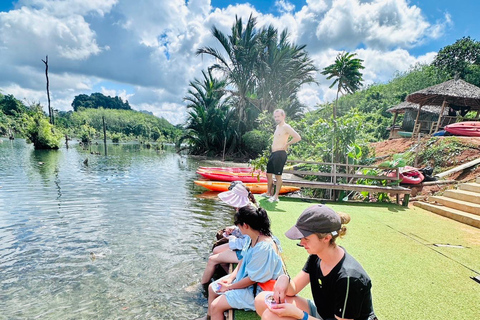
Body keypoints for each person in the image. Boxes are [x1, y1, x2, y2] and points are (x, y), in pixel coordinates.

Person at [254, 204, 377, 320]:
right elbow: (293, 289)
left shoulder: (349, 278)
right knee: (261, 300)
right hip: (323, 313)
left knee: (270, 316)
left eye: (306, 238)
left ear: (326, 238)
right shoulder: (316, 256)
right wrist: (284, 278)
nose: (301, 242)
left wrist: (300, 315)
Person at [196, 205, 284, 320]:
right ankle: (209, 317)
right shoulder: (252, 236)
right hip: (248, 282)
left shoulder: (264, 248)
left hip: (258, 291)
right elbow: (243, 258)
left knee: (216, 305)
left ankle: (214, 313)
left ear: (245, 225)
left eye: (238, 224)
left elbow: (253, 279)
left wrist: (229, 287)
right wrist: (231, 277)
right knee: (212, 288)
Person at [200, 183, 257, 286]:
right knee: (216, 252)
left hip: (249, 250)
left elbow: (248, 240)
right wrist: (234, 230)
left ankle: (202, 285)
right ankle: (227, 276)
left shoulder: (247, 213)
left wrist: (231, 238)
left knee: (212, 259)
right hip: (247, 246)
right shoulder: (247, 208)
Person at [262, 109, 301, 203]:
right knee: (268, 174)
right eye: (275, 117)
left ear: (283, 116)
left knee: (278, 176)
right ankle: (268, 193)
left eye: (278, 116)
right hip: (273, 153)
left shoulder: (286, 127)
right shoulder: (277, 127)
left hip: (280, 154)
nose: (276, 118)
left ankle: (276, 196)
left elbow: (298, 137)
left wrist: (287, 144)